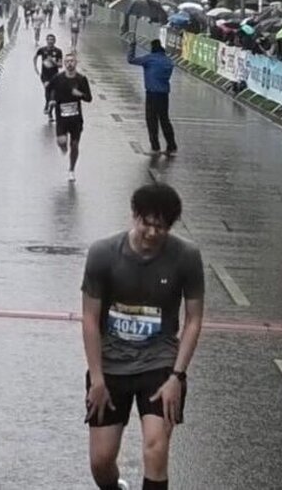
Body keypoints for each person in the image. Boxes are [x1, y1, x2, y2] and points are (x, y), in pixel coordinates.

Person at [81, 183, 204, 490]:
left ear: (170, 227)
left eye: (159, 228)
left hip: (159, 364)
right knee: (100, 462)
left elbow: (193, 319)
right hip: (111, 366)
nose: (151, 233)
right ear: (134, 216)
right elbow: (89, 319)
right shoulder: (103, 254)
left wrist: (177, 376)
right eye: (145, 224)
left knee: (155, 448)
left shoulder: (186, 256)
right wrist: (97, 379)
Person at [128, 39, 178, 156]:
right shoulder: (168, 61)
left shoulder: (149, 58)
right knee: (164, 120)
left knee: (152, 120)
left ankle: (155, 147)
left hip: (152, 93)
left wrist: (132, 47)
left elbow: (131, 60)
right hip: (164, 94)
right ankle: (172, 145)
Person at [48, 53, 93, 181]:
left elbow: (89, 98)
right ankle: (63, 146)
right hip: (61, 116)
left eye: (72, 61)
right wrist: (51, 100)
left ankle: (71, 169)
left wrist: (80, 94)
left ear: (76, 62)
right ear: (64, 63)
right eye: (67, 61)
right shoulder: (58, 78)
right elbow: (51, 90)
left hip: (76, 118)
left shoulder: (81, 79)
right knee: (61, 142)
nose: (69, 63)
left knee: (75, 145)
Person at [33, 34, 63, 120]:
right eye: (49, 39)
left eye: (52, 40)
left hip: (55, 76)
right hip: (45, 75)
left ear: (55, 41)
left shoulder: (58, 51)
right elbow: (35, 57)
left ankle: (50, 112)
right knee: (47, 89)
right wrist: (35, 67)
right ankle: (47, 104)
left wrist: (53, 62)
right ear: (46, 40)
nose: (50, 41)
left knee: (53, 96)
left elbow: (60, 65)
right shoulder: (42, 50)